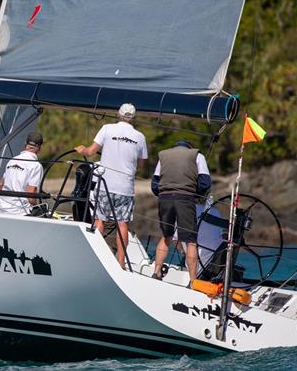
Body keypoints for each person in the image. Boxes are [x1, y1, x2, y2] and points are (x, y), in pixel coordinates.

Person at [75, 103, 148, 269]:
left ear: (118, 114)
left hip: (106, 186)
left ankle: (94, 259)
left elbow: (91, 152)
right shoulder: (140, 136)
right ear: (133, 118)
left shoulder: (107, 128)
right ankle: (120, 262)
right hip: (126, 188)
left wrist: (82, 150)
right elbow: (142, 165)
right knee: (122, 224)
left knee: (100, 221)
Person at [151, 140, 212, 284]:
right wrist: (196, 195)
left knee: (166, 236)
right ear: (189, 148)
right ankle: (193, 280)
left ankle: (156, 272)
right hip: (185, 198)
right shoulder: (197, 155)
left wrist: (164, 193)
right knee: (191, 241)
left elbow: (155, 184)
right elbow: (205, 182)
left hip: (165, 198)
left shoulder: (163, 155)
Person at [0, 132, 44, 215]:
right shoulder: (36, 166)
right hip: (20, 212)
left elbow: (0, 185)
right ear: (39, 148)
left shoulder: (12, 160)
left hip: (2, 210)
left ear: (25, 144)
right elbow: (31, 195)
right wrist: (37, 206)